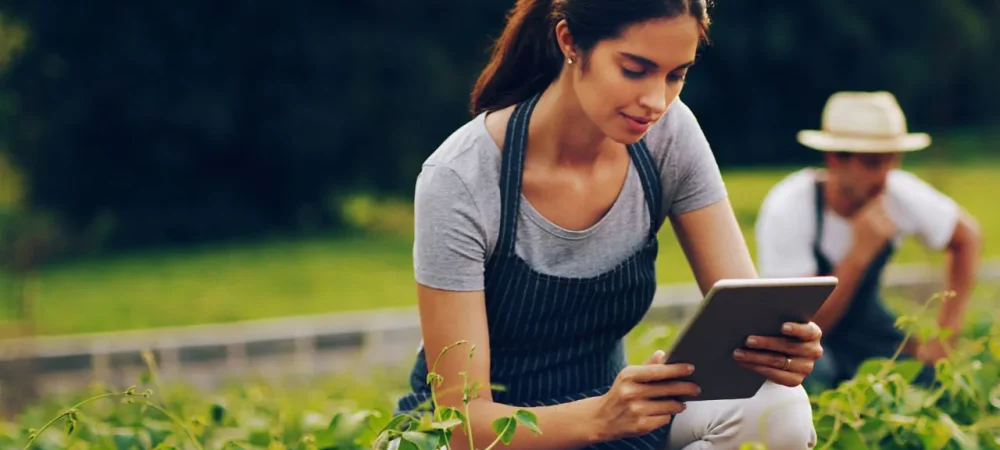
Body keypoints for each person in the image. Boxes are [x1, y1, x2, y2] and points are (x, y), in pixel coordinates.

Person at [391, 1, 825, 449]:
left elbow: (743, 314)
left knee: (777, 404)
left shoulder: (669, 135)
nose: (656, 101)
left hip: (613, 421)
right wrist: (602, 416)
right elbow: (461, 425)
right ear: (569, 42)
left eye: (676, 75)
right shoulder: (461, 177)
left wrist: (775, 349)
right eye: (635, 69)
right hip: (491, 438)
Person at [754, 91, 982, 393]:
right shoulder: (790, 206)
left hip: (866, 327)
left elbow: (967, 237)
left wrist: (945, 335)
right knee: (816, 375)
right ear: (835, 159)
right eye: (874, 163)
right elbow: (799, 328)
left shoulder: (895, 191)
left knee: (928, 381)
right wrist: (858, 256)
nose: (885, 176)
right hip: (807, 340)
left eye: (893, 161)